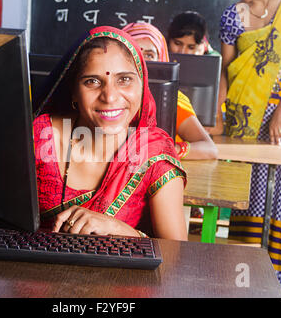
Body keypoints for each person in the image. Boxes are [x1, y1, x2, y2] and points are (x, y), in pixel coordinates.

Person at [34, 26, 188, 240]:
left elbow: (176, 255)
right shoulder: (41, 137)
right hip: (34, 269)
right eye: (92, 81)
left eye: (124, 79)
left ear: (143, 86)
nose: (110, 96)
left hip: (118, 273)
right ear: (74, 92)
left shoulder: (154, 153)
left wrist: (119, 229)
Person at [217, 0, 281, 297]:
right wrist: (211, 118)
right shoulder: (231, 16)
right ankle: (246, 282)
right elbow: (227, 72)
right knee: (249, 204)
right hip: (244, 122)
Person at [123, 22, 218, 161]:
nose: (141, 62)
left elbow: (210, 149)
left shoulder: (172, 99)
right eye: (133, 53)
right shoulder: (106, 95)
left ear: (160, 59)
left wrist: (166, 150)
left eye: (149, 55)